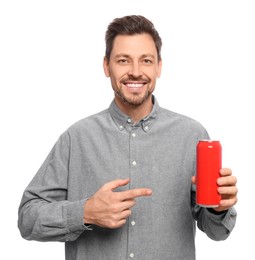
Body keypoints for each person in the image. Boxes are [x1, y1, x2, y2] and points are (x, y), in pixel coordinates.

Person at [18, 15, 238, 260]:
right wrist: (85, 212)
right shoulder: (76, 138)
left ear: (159, 67)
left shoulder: (192, 136)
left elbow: (217, 232)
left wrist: (220, 209)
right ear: (106, 66)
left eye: (146, 60)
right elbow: (28, 218)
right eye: (123, 60)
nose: (135, 72)